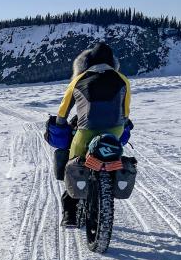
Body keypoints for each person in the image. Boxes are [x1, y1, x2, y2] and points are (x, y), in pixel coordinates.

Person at [55, 42, 131, 227]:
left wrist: (61, 123)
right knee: (113, 158)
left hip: (86, 131)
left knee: (73, 163)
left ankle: (70, 214)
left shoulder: (79, 79)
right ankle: (109, 187)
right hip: (115, 130)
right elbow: (126, 112)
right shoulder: (122, 79)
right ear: (113, 62)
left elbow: (64, 110)